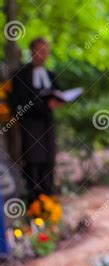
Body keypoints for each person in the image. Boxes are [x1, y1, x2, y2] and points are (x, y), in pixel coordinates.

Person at [10, 38, 62, 203]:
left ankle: (49, 203)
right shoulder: (22, 75)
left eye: (46, 51)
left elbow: (59, 94)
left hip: (47, 126)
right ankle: (33, 204)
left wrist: (57, 101)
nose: (43, 55)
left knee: (48, 162)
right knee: (33, 163)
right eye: (40, 50)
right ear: (32, 51)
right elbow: (18, 103)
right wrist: (44, 105)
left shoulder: (50, 75)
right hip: (31, 126)